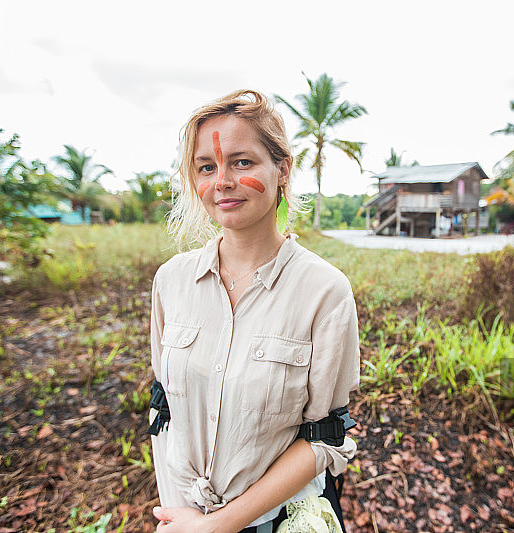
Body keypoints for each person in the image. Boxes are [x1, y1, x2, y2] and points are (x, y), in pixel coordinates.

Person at [148, 90, 360, 533]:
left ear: (282, 170)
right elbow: (164, 409)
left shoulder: (324, 292)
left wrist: (217, 526)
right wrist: (180, 516)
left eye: (241, 162)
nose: (222, 181)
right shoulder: (171, 282)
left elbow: (324, 438)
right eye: (207, 167)